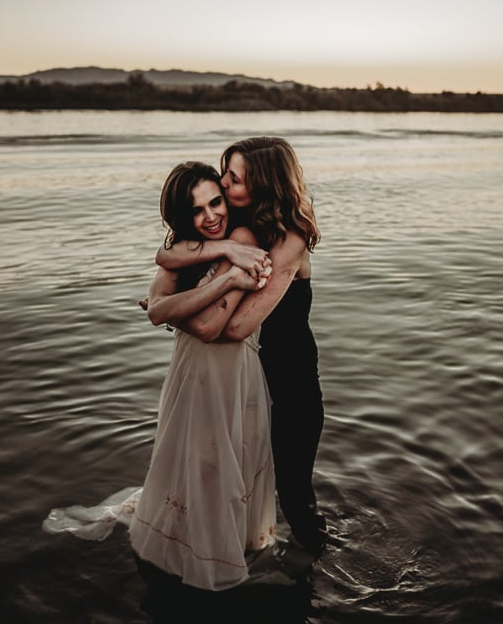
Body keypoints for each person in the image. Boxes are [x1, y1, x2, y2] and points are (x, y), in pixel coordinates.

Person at [43, 161, 279, 592]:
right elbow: (157, 308)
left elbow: (197, 323)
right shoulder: (194, 249)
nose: (211, 216)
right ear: (181, 216)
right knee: (195, 459)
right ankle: (195, 548)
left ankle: (229, 548)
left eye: (216, 201)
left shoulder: (244, 238)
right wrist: (225, 278)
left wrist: (176, 306)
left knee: (225, 465)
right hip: (191, 369)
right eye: (197, 210)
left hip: (232, 372)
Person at [152, 137, 328, 559]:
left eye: (233, 178)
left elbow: (236, 327)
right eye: (226, 172)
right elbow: (167, 252)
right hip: (248, 383)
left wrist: (167, 311)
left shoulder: (291, 237)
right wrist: (225, 247)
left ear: (263, 183)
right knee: (232, 478)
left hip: (291, 385)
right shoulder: (235, 225)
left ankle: (322, 573)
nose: (224, 183)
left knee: (294, 494)